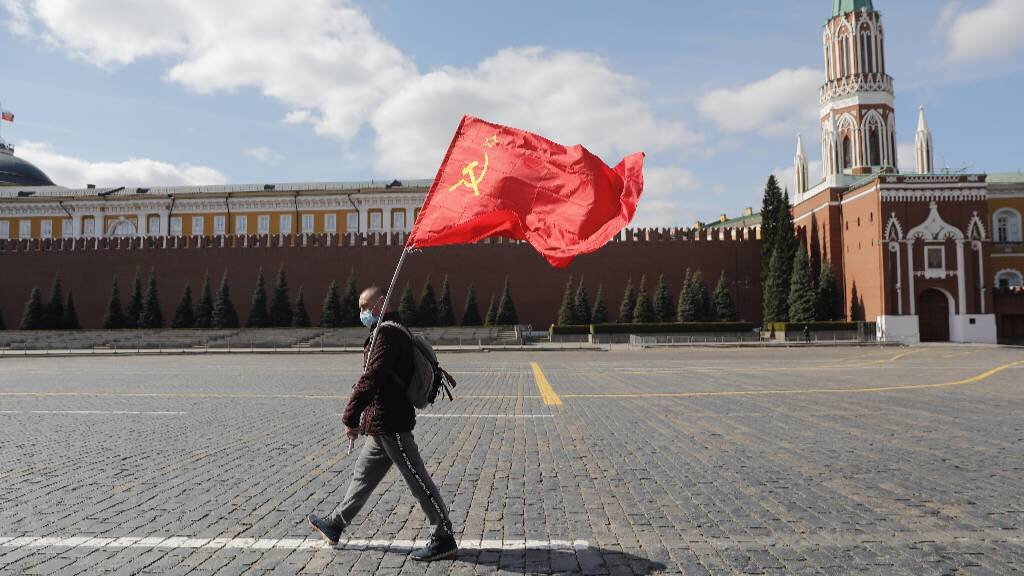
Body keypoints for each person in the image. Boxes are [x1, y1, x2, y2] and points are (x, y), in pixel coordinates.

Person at [308, 286, 457, 561]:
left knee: (417, 478)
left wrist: (350, 417)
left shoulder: (387, 333)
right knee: (363, 475)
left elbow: (371, 378)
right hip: (381, 423)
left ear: (380, 303)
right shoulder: (393, 329)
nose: (361, 313)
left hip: (392, 422)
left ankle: (444, 535)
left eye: (364, 306)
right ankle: (336, 523)